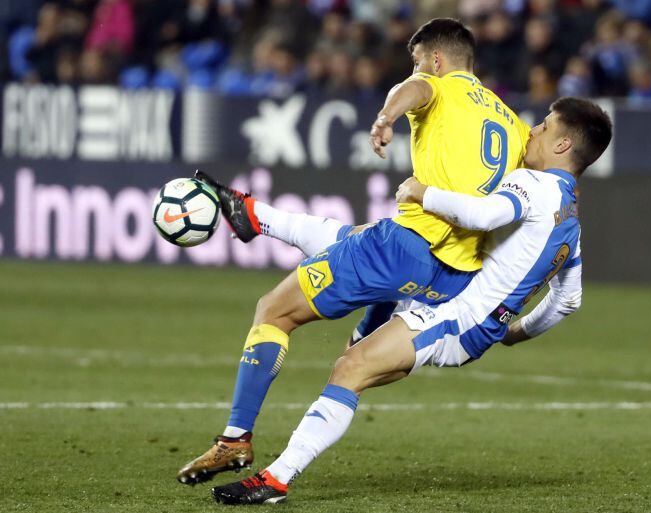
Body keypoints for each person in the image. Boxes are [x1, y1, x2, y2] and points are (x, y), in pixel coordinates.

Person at [176, 18, 531, 485]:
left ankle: (234, 441)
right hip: (453, 276)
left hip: (406, 247)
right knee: (355, 240)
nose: (416, 68)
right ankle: (256, 217)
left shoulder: (438, 86)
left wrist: (385, 117)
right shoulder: (513, 122)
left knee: (273, 311)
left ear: (437, 61)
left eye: (419, 60)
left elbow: (414, 90)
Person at [209, 97, 613, 505]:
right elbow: (567, 300)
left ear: (563, 145)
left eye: (545, 126)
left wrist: (424, 192)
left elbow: (484, 216)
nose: (533, 130)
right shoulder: (571, 222)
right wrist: (512, 333)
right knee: (363, 243)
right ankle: (259, 218)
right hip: (469, 321)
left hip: (455, 320)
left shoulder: (532, 184)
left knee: (352, 366)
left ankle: (275, 480)